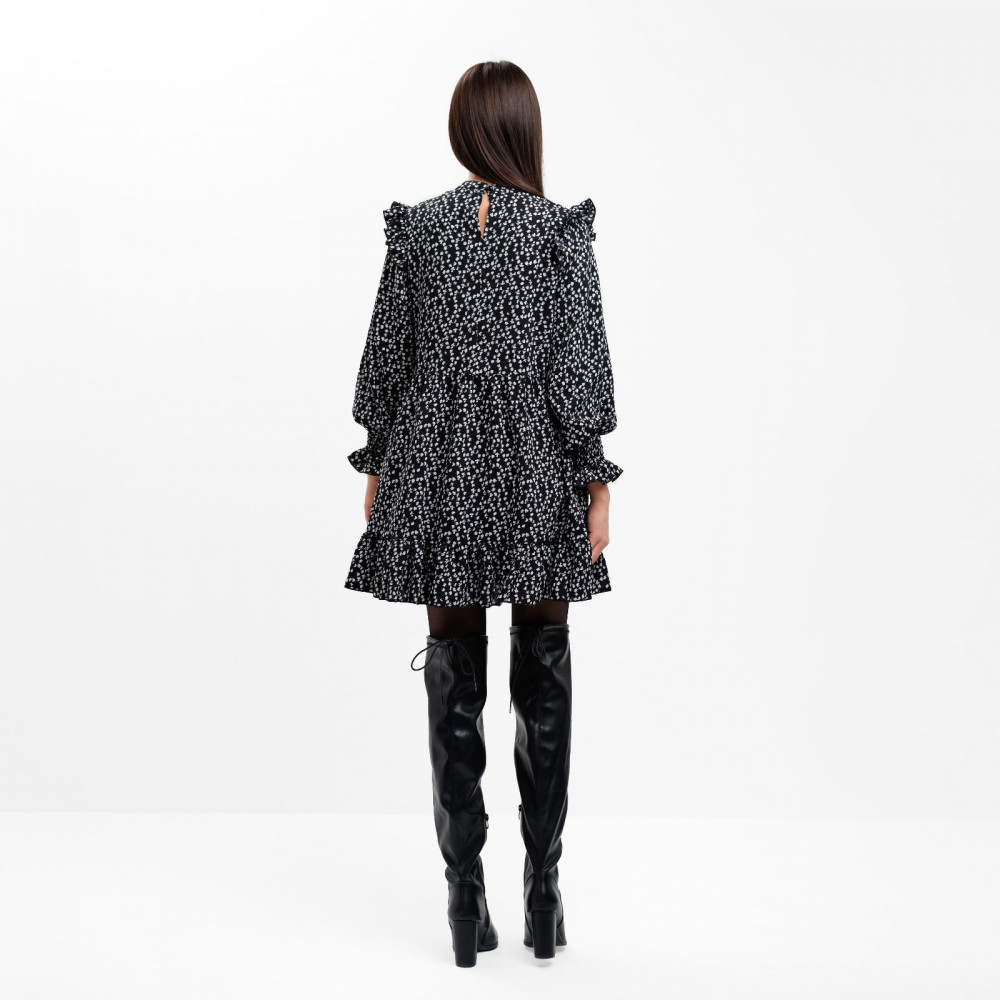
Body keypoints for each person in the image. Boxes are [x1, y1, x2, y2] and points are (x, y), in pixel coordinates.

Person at [344, 60, 623, 967]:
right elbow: (580, 366)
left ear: (462, 128)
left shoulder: (418, 231)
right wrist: (595, 479)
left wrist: (380, 462)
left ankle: (464, 898)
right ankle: (544, 892)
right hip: (536, 467)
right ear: (525, 130)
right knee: (544, 666)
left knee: (453, 675)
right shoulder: (558, 232)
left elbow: (387, 357)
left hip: (435, 466)